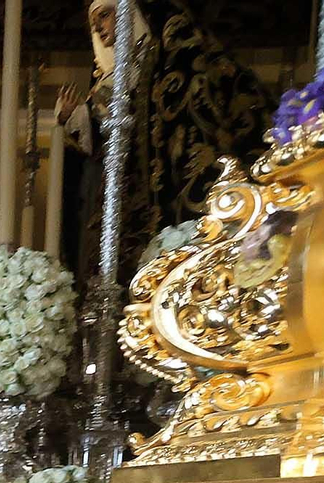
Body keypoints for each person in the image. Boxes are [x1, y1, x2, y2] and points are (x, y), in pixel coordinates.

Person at [55, 0, 272, 281]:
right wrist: (71, 119)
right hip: (121, 196)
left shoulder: (161, 57)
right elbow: (101, 138)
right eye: (94, 21)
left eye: (105, 15)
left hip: (158, 186)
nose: (97, 27)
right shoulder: (108, 81)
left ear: (129, 14)